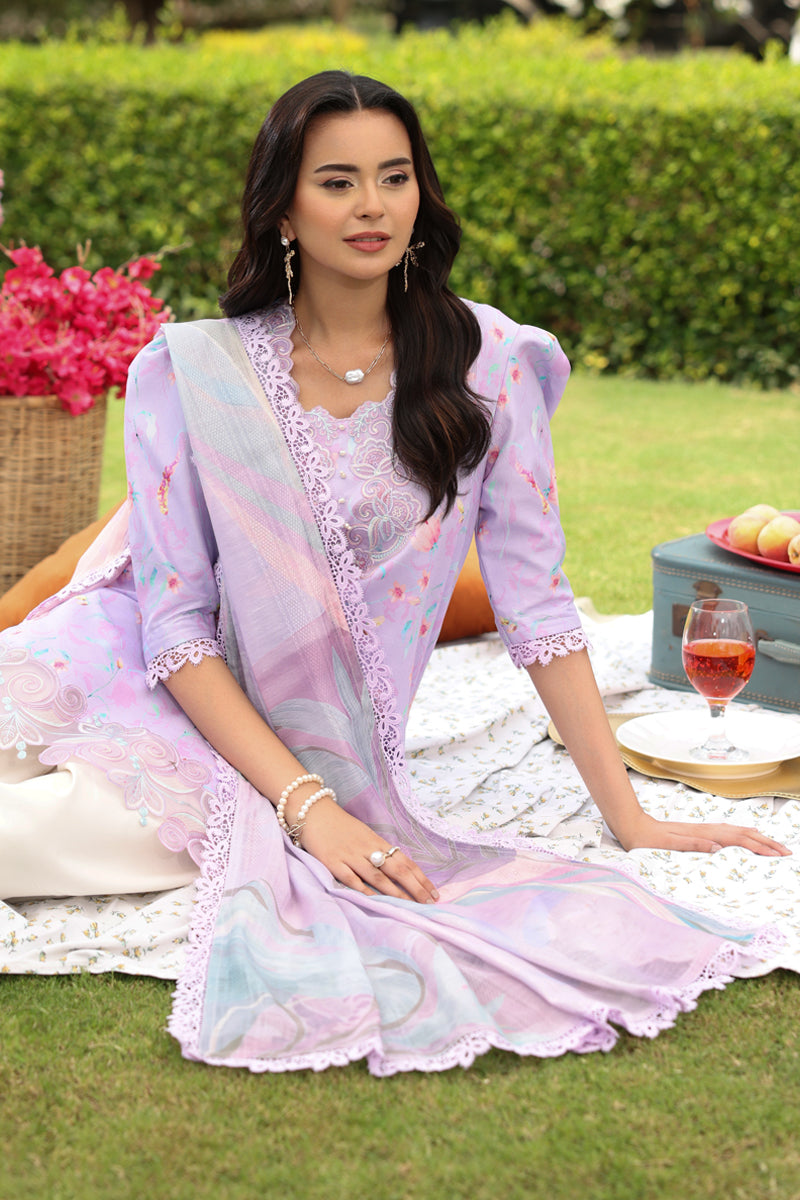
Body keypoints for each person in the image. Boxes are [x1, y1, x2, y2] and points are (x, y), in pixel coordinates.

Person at [0, 71, 789, 1074]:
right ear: (282, 206)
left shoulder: (492, 362)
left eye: (394, 176)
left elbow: (538, 607)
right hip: (125, 670)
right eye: (337, 181)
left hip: (268, 747)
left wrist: (627, 817)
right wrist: (311, 811)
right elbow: (176, 625)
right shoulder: (194, 370)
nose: (371, 206)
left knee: (40, 840)